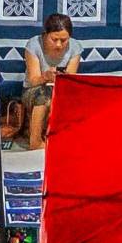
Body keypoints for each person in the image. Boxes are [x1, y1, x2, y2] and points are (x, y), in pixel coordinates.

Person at [19, 12, 81, 150]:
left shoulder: (75, 48)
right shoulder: (34, 45)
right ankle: (35, 141)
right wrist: (45, 77)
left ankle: (67, 137)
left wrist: (61, 78)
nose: (59, 44)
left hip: (60, 90)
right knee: (44, 94)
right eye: (54, 39)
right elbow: (33, 80)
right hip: (34, 91)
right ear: (46, 34)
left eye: (64, 40)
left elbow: (71, 80)